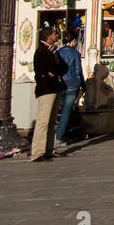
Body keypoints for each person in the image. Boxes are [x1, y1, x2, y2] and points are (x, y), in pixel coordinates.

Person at [32, 27, 67, 162]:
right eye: (54, 33)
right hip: (46, 88)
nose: (57, 35)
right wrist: (54, 72)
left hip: (55, 87)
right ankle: (38, 152)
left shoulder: (53, 51)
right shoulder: (42, 51)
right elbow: (46, 69)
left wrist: (55, 72)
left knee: (52, 121)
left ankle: (49, 149)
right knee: (43, 120)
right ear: (48, 36)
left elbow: (64, 67)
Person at [53, 32, 85, 153]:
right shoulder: (75, 53)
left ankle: (60, 133)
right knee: (67, 110)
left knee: (60, 110)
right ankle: (59, 137)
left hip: (61, 84)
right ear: (73, 41)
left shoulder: (59, 52)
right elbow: (78, 71)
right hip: (72, 84)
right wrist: (82, 84)